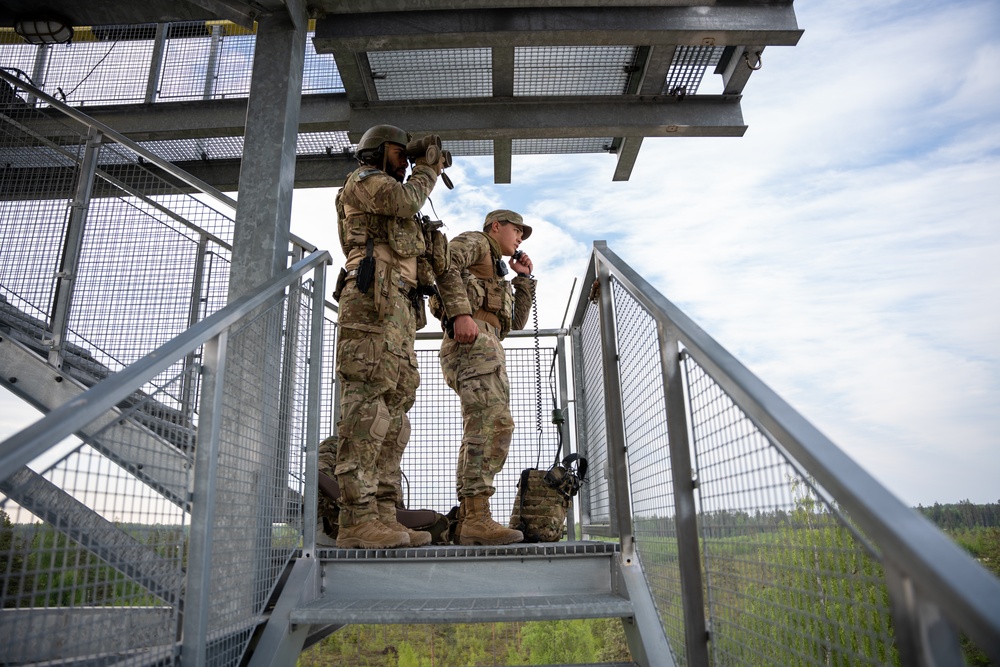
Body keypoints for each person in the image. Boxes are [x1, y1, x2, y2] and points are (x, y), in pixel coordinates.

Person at [317, 124, 445, 549]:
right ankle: (355, 519)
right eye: (400, 152)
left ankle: (383, 515)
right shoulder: (364, 180)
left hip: (400, 305)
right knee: (367, 408)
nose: (406, 160)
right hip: (371, 299)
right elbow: (404, 199)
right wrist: (427, 170)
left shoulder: (390, 186)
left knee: (395, 413)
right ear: (378, 150)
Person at [433, 209, 536, 545]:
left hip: (489, 347)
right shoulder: (476, 242)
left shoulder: (499, 268)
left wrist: (522, 280)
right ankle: (476, 516)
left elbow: (516, 322)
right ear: (496, 226)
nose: (520, 238)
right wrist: (461, 313)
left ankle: (470, 518)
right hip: (471, 342)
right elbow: (444, 265)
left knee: (495, 424)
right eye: (517, 230)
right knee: (487, 424)